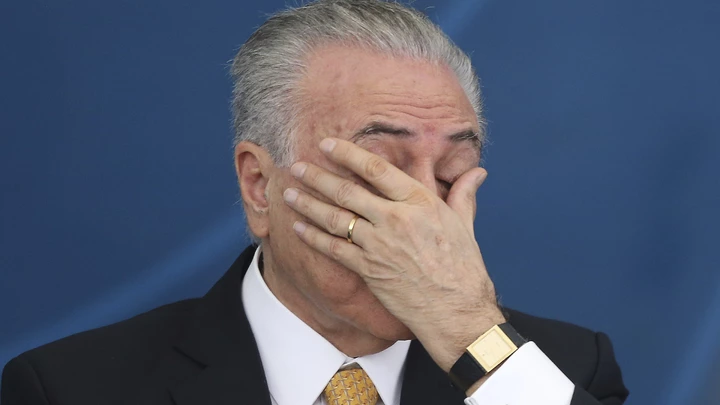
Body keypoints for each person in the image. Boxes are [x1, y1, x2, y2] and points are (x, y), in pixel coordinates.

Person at [1, 1, 628, 404]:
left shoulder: (562, 371)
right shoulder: (73, 387)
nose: (420, 217)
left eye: (451, 175)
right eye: (379, 170)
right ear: (258, 186)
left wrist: (473, 337)